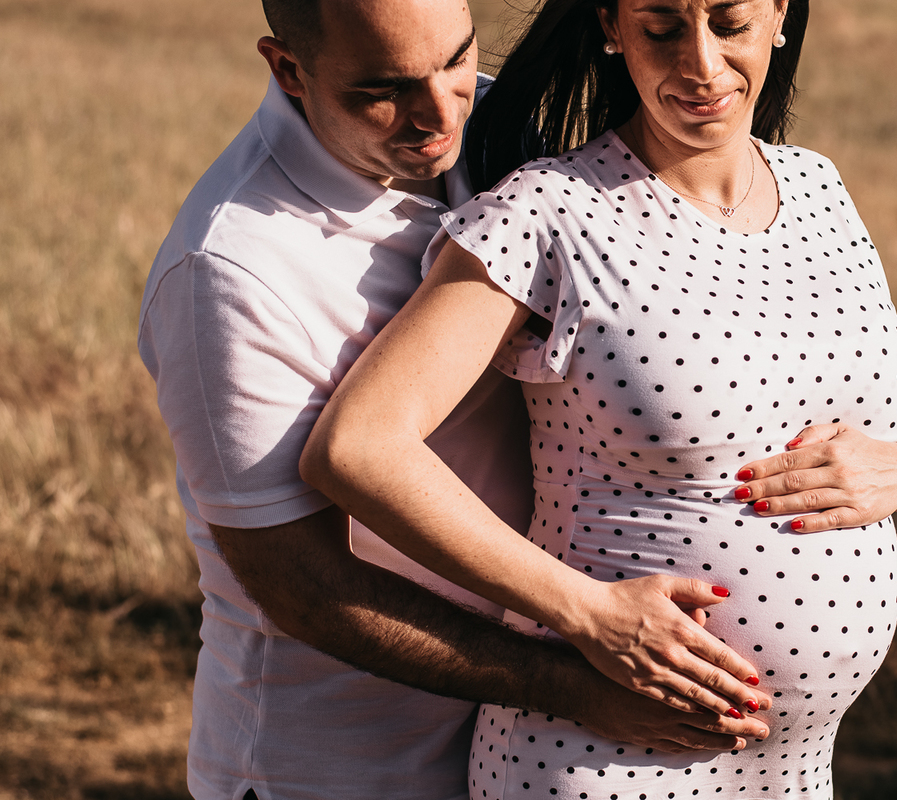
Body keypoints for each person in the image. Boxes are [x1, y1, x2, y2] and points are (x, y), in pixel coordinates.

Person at [137, 0, 803, 797]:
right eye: (382, 90)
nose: (436, 113)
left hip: (527, 745)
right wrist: (578, 656)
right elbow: (304, 589)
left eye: (455, 60)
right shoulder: (231, 272)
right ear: (288, 70)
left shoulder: (503, 132)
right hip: (336, 763)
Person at [300, 0, 897, 797]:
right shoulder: (550, 212)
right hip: (603, 761)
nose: (701, 65)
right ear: (611, 27)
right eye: (662, 29)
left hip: (796, 770)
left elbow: (882, 417)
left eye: (730, 23)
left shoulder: (820, 187)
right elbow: (358, 446)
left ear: (779, 13)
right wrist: (586, 614)